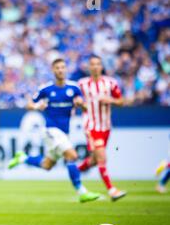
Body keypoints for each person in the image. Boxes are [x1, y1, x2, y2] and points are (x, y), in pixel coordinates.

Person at [8, 58, 100, 203]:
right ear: (53, 70)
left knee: (47, 165)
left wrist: (81, 104)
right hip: (50, 130)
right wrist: (38, 106)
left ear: (66, 69)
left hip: (64, 133)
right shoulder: (46, 89)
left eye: (63, 67)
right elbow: (29, 104)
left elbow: (86, 107)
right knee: (72, 155)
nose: (60, 70)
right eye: (57, 68)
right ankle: (82, 192)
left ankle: (23, 158)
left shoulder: (74, 88)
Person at [77, 55, 127, 201]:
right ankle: (111, 190)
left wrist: (110, 100)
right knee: (102, 158)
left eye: (98, 64)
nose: (95, 67)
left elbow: (121, 101)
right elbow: (76, 99)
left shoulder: (110, 83)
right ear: (89, 67)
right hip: (91, 127)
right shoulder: (82, 84)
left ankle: (74, 171)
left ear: (101, 66)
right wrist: (79, 102)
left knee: (93, 161)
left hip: (106, 127)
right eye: (92, 64)